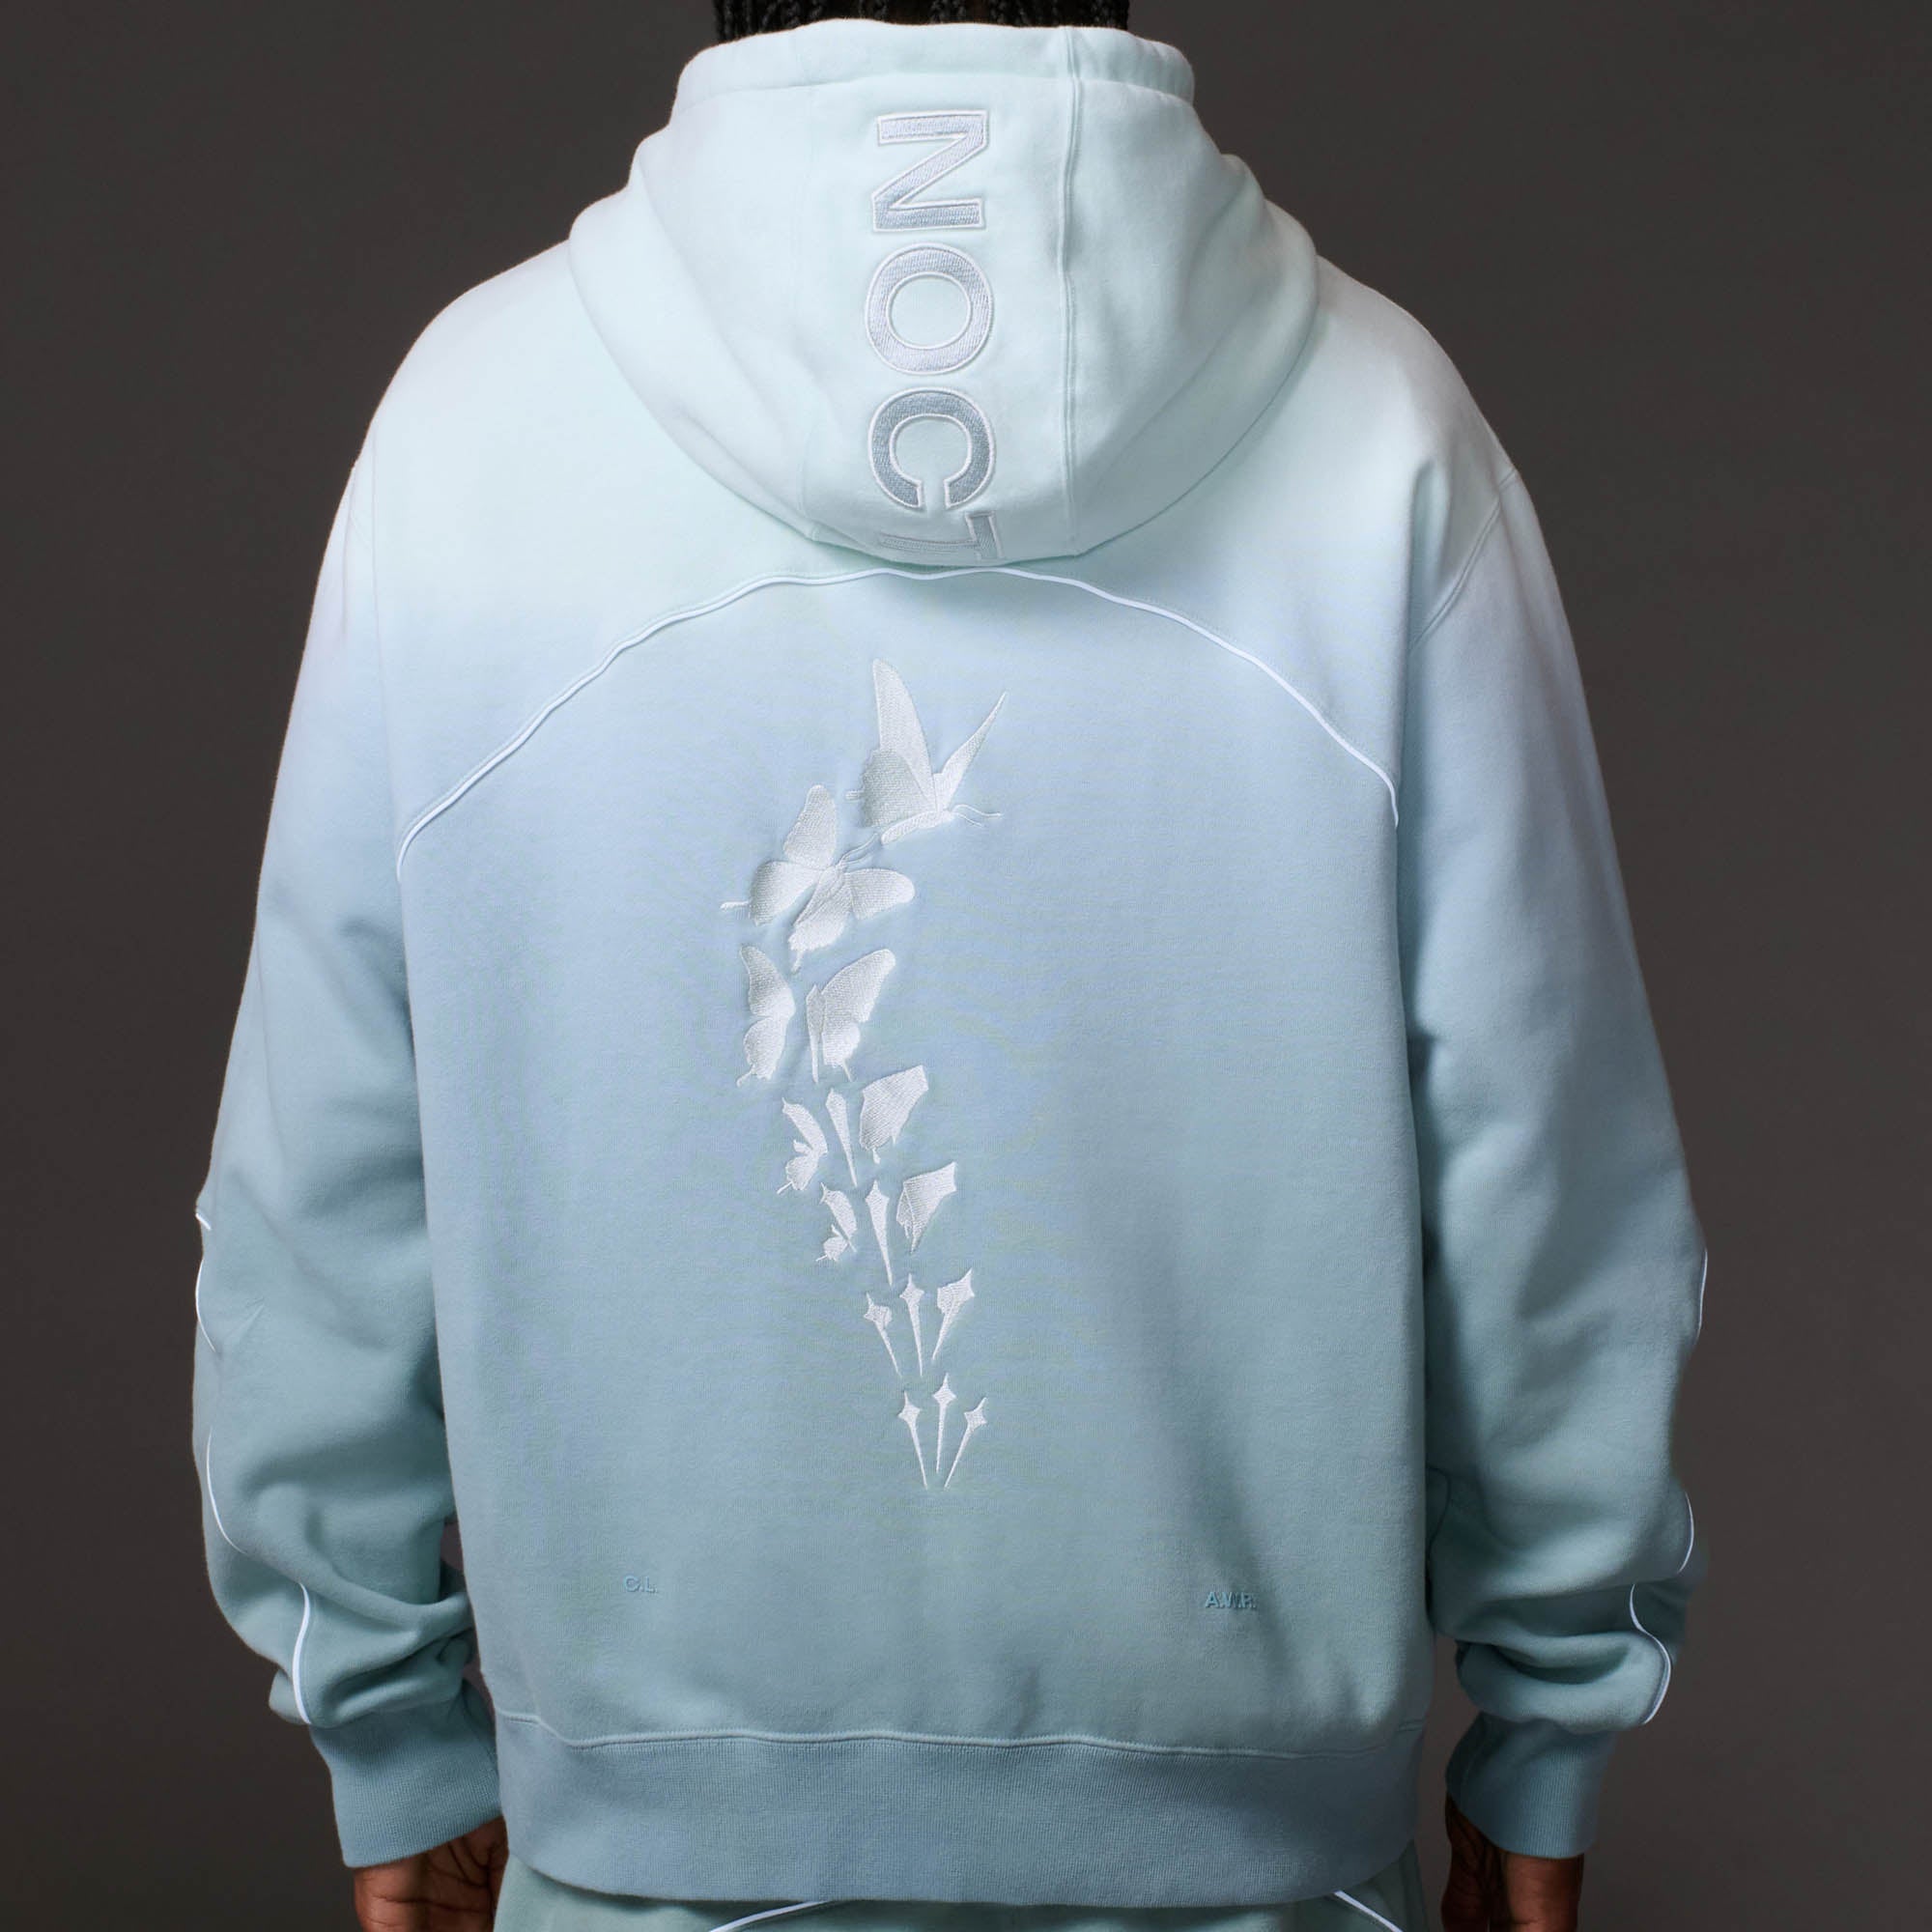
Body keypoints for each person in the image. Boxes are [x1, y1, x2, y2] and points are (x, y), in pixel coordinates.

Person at [191, 4, 1708, 1930]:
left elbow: (323, 1173)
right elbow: (1544, 1169)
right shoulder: (1379, 427)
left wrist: (391, 1736)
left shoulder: (471, 431)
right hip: (1266, 1869)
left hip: (644, 1860)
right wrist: (1550, 1718)